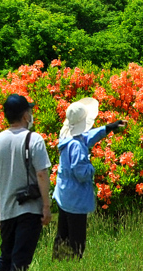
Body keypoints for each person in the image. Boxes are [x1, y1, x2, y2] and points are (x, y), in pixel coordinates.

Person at [0, 93, 52, 271]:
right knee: (20, 261)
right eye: (29, 111)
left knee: (6, 257)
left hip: (6, 210)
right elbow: (41, 173)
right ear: (24, 116)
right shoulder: (34, 139)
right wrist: (46, 206)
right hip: (29, 210)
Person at [52, 97, 124, 259]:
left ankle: (57, 263)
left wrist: (108, 128)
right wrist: (92, 166)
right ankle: (72, 270)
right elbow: (81, 173)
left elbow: (87, 136)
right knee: (77, 240)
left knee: (62, 235)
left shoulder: (66, 136)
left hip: (64, 195)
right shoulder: (77, 146)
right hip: (75, 199)